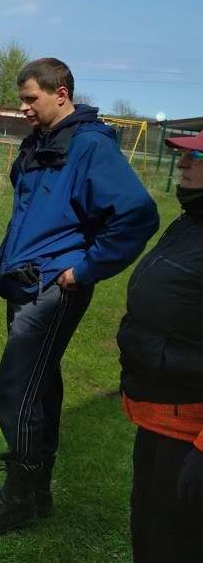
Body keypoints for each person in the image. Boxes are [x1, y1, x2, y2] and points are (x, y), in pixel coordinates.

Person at [0, 58, 159, 535]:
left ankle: (18, 501)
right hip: (27, 282)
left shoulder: (89, 146)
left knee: (17, 390)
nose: (24, 107)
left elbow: (136, 215)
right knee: (41, 389)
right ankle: (35, 490)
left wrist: (84, 269)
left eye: (31, 98)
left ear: (61, 93)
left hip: (54, 288)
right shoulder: (44, 141)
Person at [117, 131, 203, 563]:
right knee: (148, 530)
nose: (184, 162)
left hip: (190, 429)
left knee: (174, 542)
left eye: (198, 154)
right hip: (157, 413)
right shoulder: (190, 220)